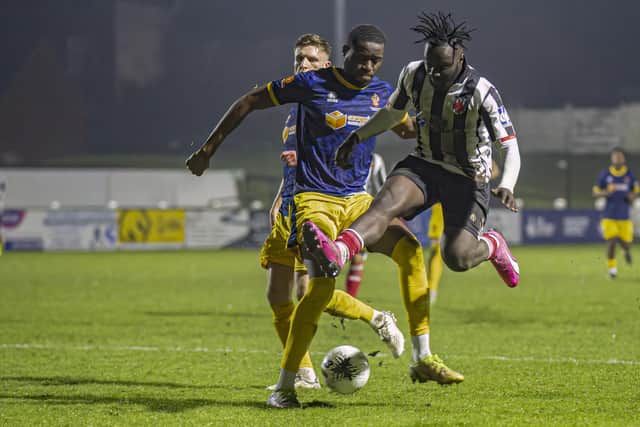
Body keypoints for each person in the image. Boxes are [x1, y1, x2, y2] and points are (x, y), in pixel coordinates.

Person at [186, 24, 463, 409]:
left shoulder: (384, 92)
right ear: (346, 52)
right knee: (316, 290)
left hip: (358, 201)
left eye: (376, 60)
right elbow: (248, 101)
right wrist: (207, 150)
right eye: (362, 57)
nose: (368, 66)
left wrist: (443, 131)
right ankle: (285, 387)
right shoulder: (310, 84)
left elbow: (404, 128)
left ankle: (423, 355)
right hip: (314, 201)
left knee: (411, 250)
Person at [303, 12, 523, 320]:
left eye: (442, 68)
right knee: (383, 206)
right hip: (425, 164)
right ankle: (339, 252)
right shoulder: (414, 74)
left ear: (459, 56)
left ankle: (492, 243)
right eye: (430, 66)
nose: (434, 74)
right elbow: (394, 114)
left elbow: (510, 146)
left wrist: (507, 185)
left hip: (467, 178)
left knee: (457, 257)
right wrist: (357, 137)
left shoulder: (481, 92)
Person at [259, 34, 405, 390]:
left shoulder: (328, 102)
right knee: (277, 296)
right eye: (298, 59)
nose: (302, 65)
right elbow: (296, 161)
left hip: (318, 205)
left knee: (310, 291)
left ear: (326, 65)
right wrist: (280, 196)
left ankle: (377, 318)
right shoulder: (295, 107)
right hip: (289, 205)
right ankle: (306, 374)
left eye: (310, 60)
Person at [427, 160, 501, 305]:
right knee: (436, 249)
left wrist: (478, 177)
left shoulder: (476, 149)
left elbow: (495, 169)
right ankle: (431, 289)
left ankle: (432, 289)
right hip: (441, 203)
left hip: (465, 200)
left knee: (456, 248)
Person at [345, 152, 387, 297]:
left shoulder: (376, 159)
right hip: (338, 209)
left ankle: (349, 300)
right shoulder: (340, 154)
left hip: (360, 212)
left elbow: (382, 188)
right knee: (330, 259)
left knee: (357, 258)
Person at [592, 147, 639, 278]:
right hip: (609, 215)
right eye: (615, 157)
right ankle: (612, 270)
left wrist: (632, 196)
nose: (618, 159)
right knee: (612, 241)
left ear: (623, 159)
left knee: (626, 244)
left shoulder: (629, 174)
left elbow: (635, 191)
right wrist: (605, 193)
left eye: (620, 157)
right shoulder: (605, 174)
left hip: (624, 216)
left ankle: (626, 251)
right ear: (612, 158)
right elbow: (595, 192)